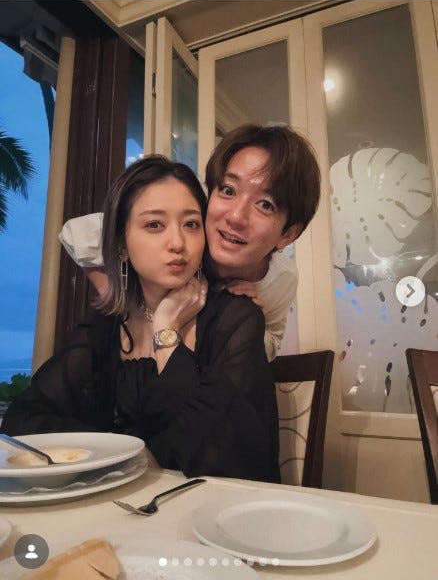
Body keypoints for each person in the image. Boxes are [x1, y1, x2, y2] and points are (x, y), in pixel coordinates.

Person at [1, 156, 280, 483]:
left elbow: (217, 456)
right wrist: (120, 451)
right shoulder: (107, 326)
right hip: (121, 506)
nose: (178, 243)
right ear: (121, 244)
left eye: (191, 224)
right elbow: (22, 421)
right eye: (154, 225)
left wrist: (166, 330)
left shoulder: (234, 320)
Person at [60, 124, 321, 361]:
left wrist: (246, 323)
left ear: (288, 235)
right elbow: (74, 232)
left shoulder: (281, 278)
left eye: (265, 204)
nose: (235, 217)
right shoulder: (188, 233)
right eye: (228, 190)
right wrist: (123, 298)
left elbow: (272, 343)